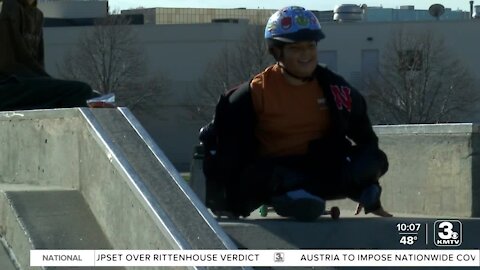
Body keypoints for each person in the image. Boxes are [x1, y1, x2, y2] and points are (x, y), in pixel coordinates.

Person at [199, 6, 392, 221]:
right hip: (272, 171)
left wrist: (369, 188)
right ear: (277, 51)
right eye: (296, 48)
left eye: (310, 46)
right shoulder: (253, 94)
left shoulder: (336, 89)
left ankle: (301, 197)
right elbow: (226, 153)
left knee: (375, 160)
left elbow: (366, 140)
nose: (306, 55)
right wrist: (227, 203)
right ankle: (290, 198)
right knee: (265, 177)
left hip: (319, 168)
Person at [0, 0, 96, 110]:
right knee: (79, 91)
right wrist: (46, 81)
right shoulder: (8, 8)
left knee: (93, 96)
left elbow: (38, 62)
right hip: (7, 83)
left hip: (26, 81)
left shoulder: (37, 15)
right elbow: (8, 63)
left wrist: (46, 81)